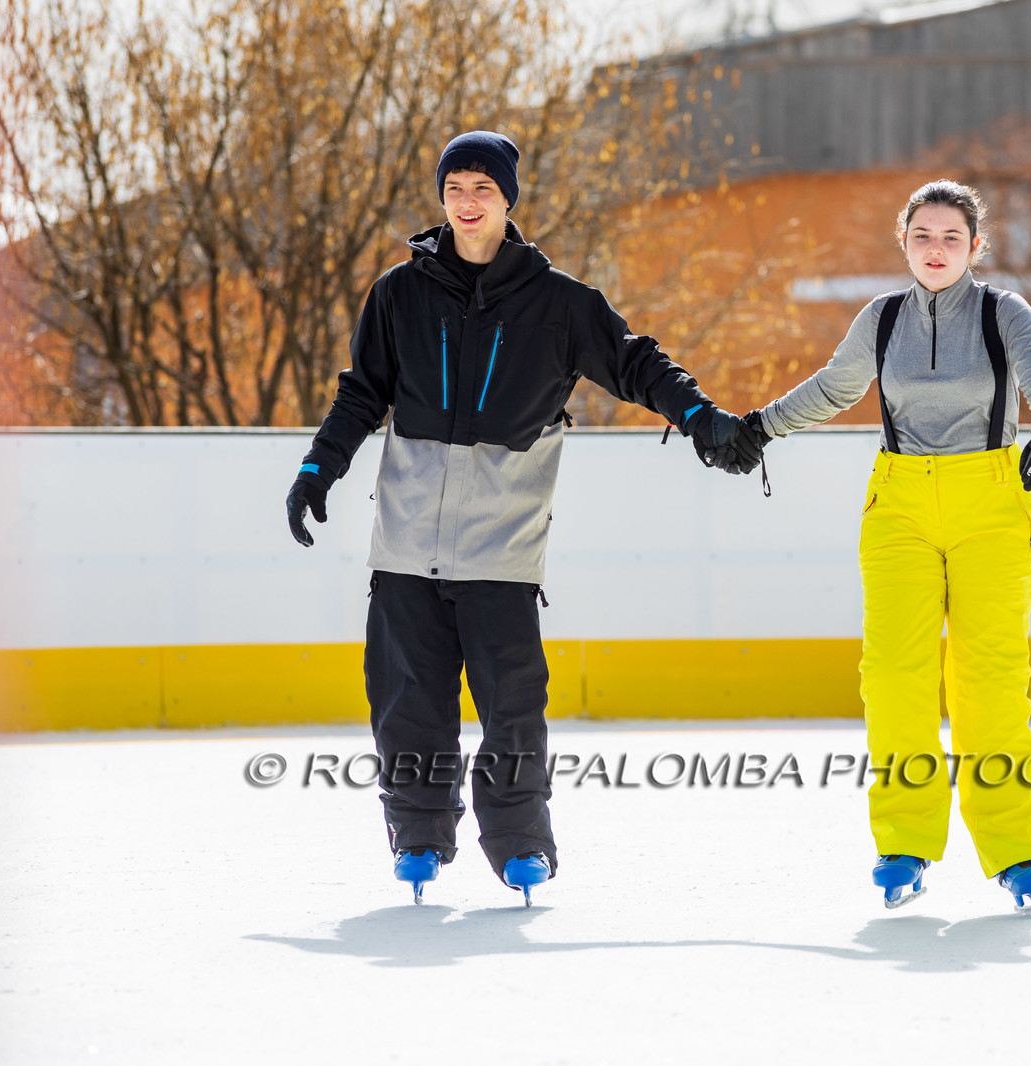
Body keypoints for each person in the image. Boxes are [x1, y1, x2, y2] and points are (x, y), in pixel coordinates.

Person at [285, 130, 764, 906]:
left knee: (513, 707)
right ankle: (416, 833)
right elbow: (360, 394)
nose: (467, 203)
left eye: (482, 188)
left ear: (508, 200)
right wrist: (318, 467)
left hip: (502, 549)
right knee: (407, 701)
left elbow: (638, 363)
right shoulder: (398, 295)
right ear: (441, 199)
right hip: (405, 543)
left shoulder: (561, 304)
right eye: (454, 189)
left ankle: (518, 844)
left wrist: (702, 418)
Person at [742, 179, 1031, 912]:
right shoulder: (882, 318)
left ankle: (1016, 851)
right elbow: (835, 388)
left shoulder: (1002, 313)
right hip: (897, 506)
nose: (936, 248)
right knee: (894, 675)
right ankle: (904, 841)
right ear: (905, 242)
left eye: (952, 237)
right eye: (923, 235)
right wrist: (758, 427)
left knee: (987, 681)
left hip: (989, 500)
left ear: (975, 247)